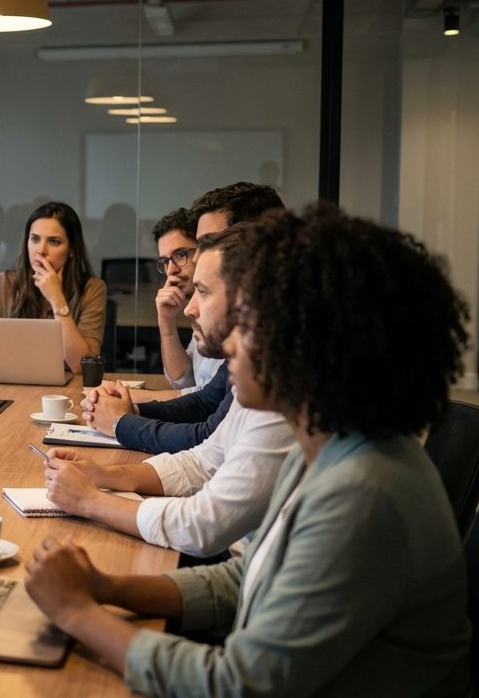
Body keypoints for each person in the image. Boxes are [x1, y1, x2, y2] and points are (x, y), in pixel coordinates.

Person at [25, 205, 471, 695]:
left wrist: (76, 612)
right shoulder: (330, 443)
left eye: (251, 322)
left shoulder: (363, 495)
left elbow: (237, 686)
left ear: (312, 344)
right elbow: (249, 576)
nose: (231, 341)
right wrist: (108, 588)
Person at [42, 226, 295, 558]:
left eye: (202, 291)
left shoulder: (279, 401)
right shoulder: (258, 382)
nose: (189, 308)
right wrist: (105, 475)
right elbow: (204, 461)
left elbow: (202, 526)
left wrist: (91, 500)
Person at [83, 183, 285, 454]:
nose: (199, 256)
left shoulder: (280, 336)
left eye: (206, 243)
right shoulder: (245, 322)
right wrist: (131, 410)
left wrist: (122, 421)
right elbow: (204, 399)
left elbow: (207, 436)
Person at [0, 201, 106, 373]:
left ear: (71, 250)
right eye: (35, 239)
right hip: (11, 382)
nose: (41, 250)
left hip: (65, 392)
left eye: (54, 241)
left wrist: (57, 300)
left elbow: (81, 366)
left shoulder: (92, 288)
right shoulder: (5, 283)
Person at [149, 208, 219, 393]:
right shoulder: (198, 305)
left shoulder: (219, 305)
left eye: (180, 255)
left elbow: (205, 399)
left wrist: (134, 400)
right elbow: (183, 380)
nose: (171, 270)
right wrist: (166, 322)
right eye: (165, 261)